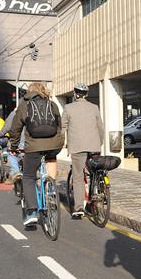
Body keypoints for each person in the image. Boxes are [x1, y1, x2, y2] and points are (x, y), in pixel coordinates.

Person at [8, 82, 64, 227]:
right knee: (51, 158)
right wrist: (59, 143)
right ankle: (50, 190)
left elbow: (16, 129)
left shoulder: (24, 104)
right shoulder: (52, 104)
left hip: (33, 146)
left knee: (28, 177)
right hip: (54, 145)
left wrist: (14, 146)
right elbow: (59, 125)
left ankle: (32, 212)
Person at [61, 83, 104, 218]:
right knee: (94, 172)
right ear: (86, 94)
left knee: (78, 176)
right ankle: (96, 196)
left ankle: (79, 208)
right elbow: (100, 128)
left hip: (77, 147)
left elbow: (62, 128)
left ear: (74, 94)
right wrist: (99, 144)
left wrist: (62, 144)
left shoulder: (68, 108)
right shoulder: (94, 108)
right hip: (94, 146)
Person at [0, 107, 24, 182]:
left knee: (11, 154)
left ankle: (16, 172)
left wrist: (0, 134)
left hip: (18, 140)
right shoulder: (29, 112)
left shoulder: (13, 114)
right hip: (29, 140)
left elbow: (7, 127)